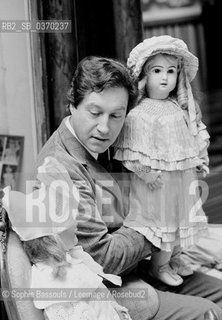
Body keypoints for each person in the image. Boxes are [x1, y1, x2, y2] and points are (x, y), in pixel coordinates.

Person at [32, 56, 222, 320]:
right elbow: (102, 258)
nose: (104, 127)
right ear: (72, 105)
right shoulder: (59, 167)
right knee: (208, 313)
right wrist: (159, 222)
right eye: (95, 112)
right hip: (106, 288)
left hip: (139, 266)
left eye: (116, 115)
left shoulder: (118, 138)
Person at [114, 35, 210, 286]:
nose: (165, 78)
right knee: (164, 222)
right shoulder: (139, 114)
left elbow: (186, 141)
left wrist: (196, 160)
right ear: (144, 75)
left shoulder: (177, 108)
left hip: (180, 178)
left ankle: (175, 258)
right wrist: (146, 172)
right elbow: (129, 152)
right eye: (157, 70)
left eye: (171, 71)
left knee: (182, 220)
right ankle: (160, 265)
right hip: (156, 185)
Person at [2, 157, 132, 320]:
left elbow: (101, 302)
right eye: (69, 222)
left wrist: (117, 310)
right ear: (53, 238)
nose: (76, 223)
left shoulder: (71, 261)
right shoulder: (58, 287)